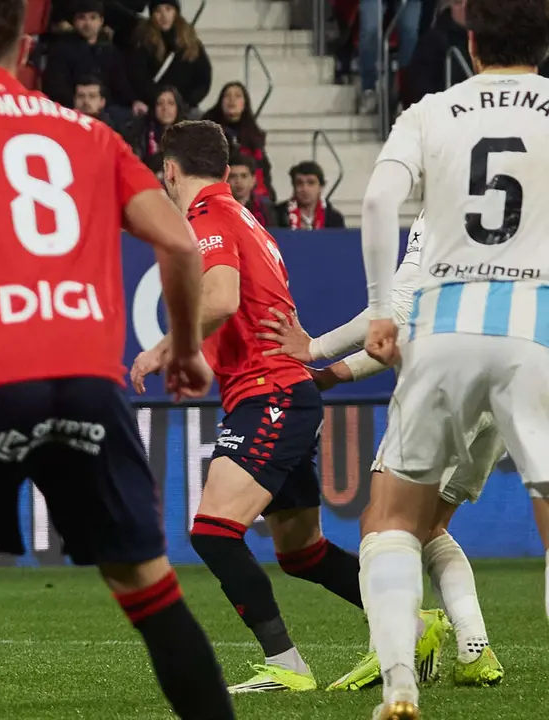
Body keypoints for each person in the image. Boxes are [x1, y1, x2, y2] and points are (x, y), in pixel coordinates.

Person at [0, 1, 234, 717]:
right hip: (91, 386)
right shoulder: (91, 133)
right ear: (26, 44)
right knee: (148, 587)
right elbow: (181, 244)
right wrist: (185, 350)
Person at [129, 120, 448, 694]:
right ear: (227, 170)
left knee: (212, 532)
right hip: (279, 393)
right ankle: (411, 622)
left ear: (170, 171)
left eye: (164, 174)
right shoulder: (248, 219)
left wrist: (165, 346)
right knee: (302, 553)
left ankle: (287, 664)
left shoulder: (209, 218)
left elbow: (223, 299)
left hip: (269, 394)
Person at [357, 0, 549, 714]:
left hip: (442, 326)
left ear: (469, 41)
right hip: (538, 327)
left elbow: (379, 202)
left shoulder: (432, 110)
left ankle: (402, 680)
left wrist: (382, 310)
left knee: (392, 520)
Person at [256, 212, 517, 689]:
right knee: (431, 524)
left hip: (446, 384)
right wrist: (332, 375)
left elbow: (397, 311)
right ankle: (474, 650)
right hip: (505, 386)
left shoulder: (449, 199)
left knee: (381, 523)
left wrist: (314, 348)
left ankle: (391, 649)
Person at [127, 1, 211, 110]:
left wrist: (187, 102)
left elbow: (203, 78)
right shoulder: (143, 42)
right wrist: (158, 101)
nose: (164, 16)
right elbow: (138, 78)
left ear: (175, 12)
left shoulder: (191, 43)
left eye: (168, 9)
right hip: (154, 107)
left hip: (185, 107)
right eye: (158, 11)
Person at [202, 82, 275, 201]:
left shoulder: (254, 134)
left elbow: (264, 170)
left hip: (252, 196)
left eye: (237, 96)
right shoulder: (208, 131)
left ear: (244, 103)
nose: (232, 100)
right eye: (227, 96)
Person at [278, 161, 345, 230]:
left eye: (311, 183)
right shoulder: (278, 215)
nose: (305, 189)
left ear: (321, 186)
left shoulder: (334, 219)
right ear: (294, 186)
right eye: (299, 183)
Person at [228, 154, 275, 228]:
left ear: (253, 180)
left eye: (244, 176)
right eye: (233, 176)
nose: (238, 181)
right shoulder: (219, 207)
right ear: (226, 180)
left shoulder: (266, 209)